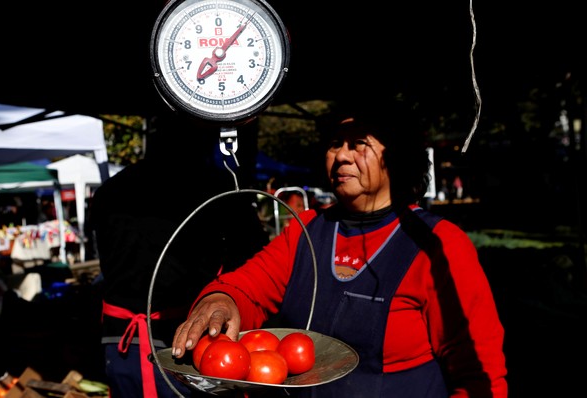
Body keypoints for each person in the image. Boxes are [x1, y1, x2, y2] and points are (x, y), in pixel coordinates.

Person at [171, 101, 508, 397]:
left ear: (398, 155)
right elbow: (247, 286)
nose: (341, 155)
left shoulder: (437, 243)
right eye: (335, 144)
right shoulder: (305, 230)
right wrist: (221, 299)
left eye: (358, 144)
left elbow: (479, 371)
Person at [90, 113, 270, 398]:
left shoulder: (110, 190)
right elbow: (254, 256)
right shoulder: (211, 188)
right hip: (180, 341)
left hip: (119, 340)